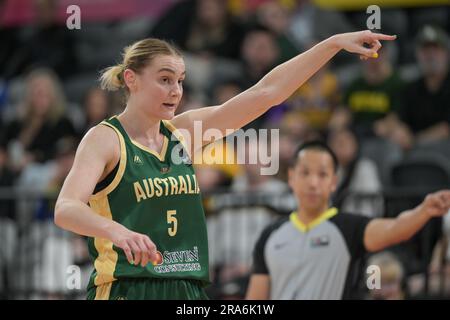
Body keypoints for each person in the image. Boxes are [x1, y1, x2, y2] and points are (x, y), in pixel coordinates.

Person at [54, 31, 397, 300]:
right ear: (131, 79)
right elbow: (66, 208)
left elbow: (268, 92)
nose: (176, 90)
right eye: (165, 79)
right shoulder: (106, 139)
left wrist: (332, 45)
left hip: (188, 288)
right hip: (128, 287)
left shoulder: (186, 132)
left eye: (181, 80)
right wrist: (115, 230)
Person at [246, 141, 450, 299]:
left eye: (322, 174)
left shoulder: (349, 228)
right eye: (305, 173)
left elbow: (396, 228)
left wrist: (424, 211)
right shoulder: (270, 234)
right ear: (291, 177)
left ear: (334, 181)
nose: (313, 183)